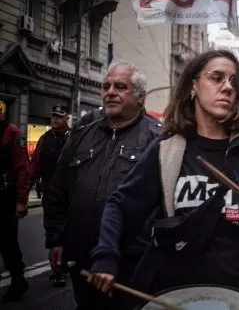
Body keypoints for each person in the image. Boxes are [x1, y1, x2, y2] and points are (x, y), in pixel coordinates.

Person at [86, 50, 239, 310]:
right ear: (193, 86)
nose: (227, 87)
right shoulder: (167, 150)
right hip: (174, 293)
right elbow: (120, 206)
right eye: (217, 78)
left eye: (234, 82)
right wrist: (106, 256)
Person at [42, 61, 162, 310]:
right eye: (106, 86)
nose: (110, 92)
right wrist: (55, 238)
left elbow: (164, 204)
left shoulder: (157, 138)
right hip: (84, 258)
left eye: (120, 87)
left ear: (140, 97)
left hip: (133, 262)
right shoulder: (82, 133)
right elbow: (59, 189)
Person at [30, 105, 70, 287]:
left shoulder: (74, 139)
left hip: (71, 195)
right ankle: (57, 270)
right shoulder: (44, 140)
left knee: (69, 231)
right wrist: (23, 195)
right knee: (53, 233)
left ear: (66, 118)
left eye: (59, 116)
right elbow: (34, 167)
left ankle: (66, 261)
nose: (55, 119)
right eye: (53, 116)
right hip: (50, 194)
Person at [0, 107, 30, 302]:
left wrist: (21, 200)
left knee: (7, 241)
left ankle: (18, 280)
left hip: (4, 196)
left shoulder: (12, 132)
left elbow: (22, 168)